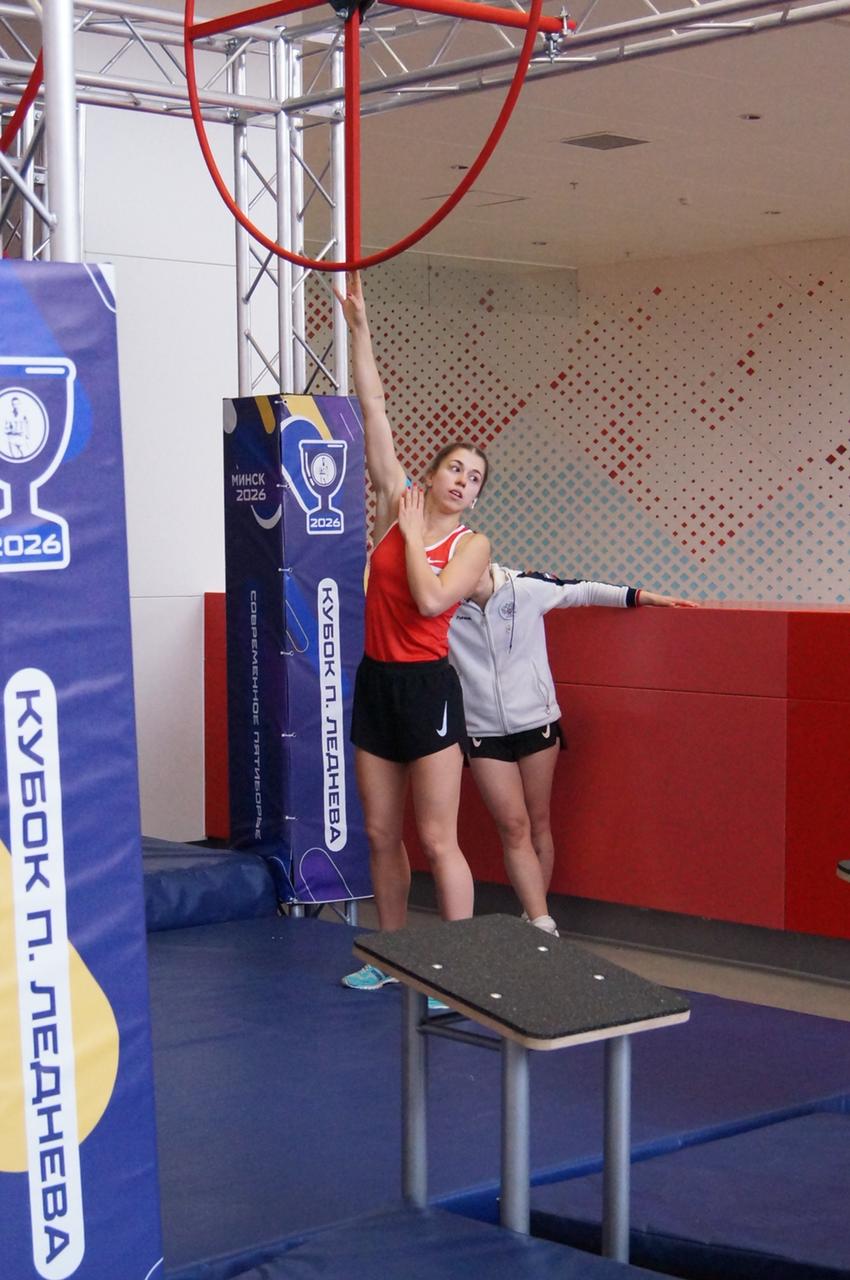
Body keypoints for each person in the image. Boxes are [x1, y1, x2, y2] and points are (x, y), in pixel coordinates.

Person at [336, 271, 492, 992]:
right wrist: (361, 332)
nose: (463, 480)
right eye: (455, 468)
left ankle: (459, 972)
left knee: (436, 837)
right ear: (430, 474)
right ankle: (391, 959)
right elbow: (374, 408)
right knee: (379, 833)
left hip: (428, 688)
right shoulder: (396, 500)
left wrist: (404, 535)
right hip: (377, 682)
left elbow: (430, 605)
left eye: (475, 478)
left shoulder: (471, 547)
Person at [448, 565, 697, 927]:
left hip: (536, 723)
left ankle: (533, 919)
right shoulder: (441, 602)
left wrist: (642, 597)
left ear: (482, 561)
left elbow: (581, 590)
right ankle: (543, 923)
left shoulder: (526, 587)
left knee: (537, 824)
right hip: (481, 730)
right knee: (513, 827)